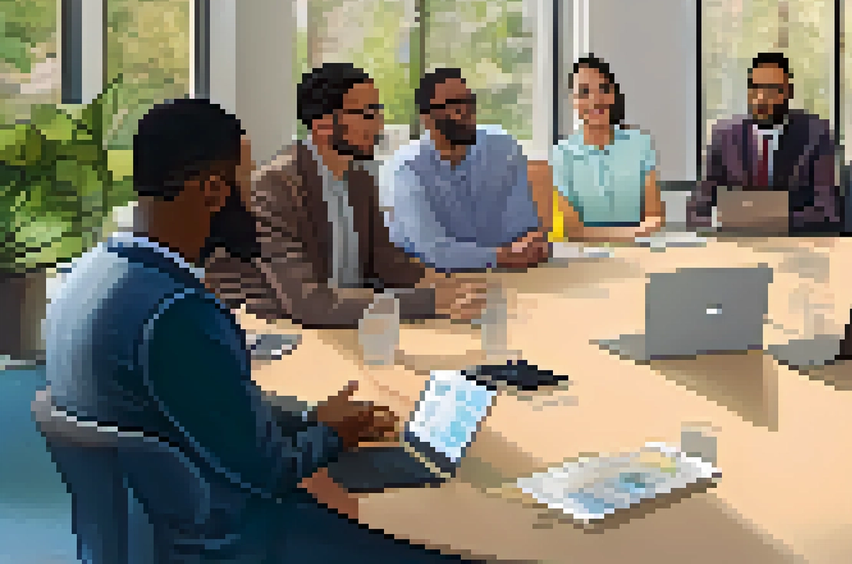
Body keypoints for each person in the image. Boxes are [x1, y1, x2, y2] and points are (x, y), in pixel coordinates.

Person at [44, 98, 469, 562]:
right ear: (211, 191)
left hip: (144, 530)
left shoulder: (91, 273)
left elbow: (203, 402)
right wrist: (335, 436)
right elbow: (268, 470)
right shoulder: (178, 312)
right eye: (244, 184)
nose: (252, 201)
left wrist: (310, 417)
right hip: (225, 538)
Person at [206, 63, 485, 327]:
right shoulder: (274, 188)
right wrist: (431, 301)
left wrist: (446, 285)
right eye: (367, 114)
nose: (379, 125)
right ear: (323, 125)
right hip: (285, 336)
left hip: (351, 328)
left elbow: (388, 263)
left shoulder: (360, 179)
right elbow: (310, 303)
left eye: (379, 112)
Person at [384, 68, 549, 272]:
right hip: (427, 279)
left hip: (501, 274)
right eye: (453, 106)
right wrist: (503, 256)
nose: (465, 112)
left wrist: (531, 244)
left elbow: (522, 227)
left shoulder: (502, 149)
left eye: (469, 102)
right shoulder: (407, 168)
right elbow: (432, 250)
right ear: (426, 117)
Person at [687, 52, 840, 234]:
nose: (760, 98)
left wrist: (763, 221)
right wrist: (721, 222)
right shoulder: (725, 136)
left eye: (771, 89)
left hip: (794, 242)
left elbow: (828, 212)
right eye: (754, 88)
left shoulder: (815, 134)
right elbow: (697, 211)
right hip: (737, 243)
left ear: (788, 93)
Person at [548, 55, 665, 242]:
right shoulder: (562, 154)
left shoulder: (640, 143)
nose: (595, 100)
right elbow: (573, 230)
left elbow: (654, 217)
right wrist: (632, 234)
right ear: (574, 101)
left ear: (612, 95)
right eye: (584, 92)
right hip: (584, 258)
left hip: (638, 253)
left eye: (603, 89)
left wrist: (628, 238)